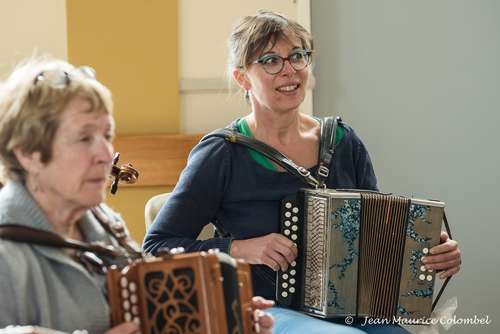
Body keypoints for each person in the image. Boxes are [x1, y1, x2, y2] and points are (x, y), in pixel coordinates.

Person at [143, 11, 462, 334]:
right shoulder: (223, 152)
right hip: (264, 310)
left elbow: (378, 234)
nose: (290, 70)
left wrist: (423, 249)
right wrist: (241, 248)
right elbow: (156, 247)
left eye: (297, 56)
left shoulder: (341, 141)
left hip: (351, 311)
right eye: (270, 61)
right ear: (242, 78)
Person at [0, 58, 274, 334]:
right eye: (84, 138)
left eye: (106, 135)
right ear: (28, 153)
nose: (107, 155)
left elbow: (147, 317)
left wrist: (224, 317)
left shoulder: (99, 221)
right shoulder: (6, 252)